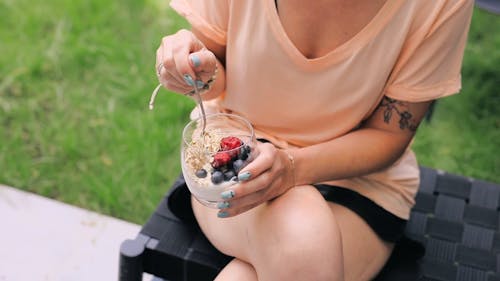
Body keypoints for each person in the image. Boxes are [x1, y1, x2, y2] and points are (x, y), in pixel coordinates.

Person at [155, 0, 474, 280]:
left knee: (289, 251)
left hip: (358, 182)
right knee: (302, 235)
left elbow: (389, 133)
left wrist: (292, 168)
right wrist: (198, 71)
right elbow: (217, 68)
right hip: (239, 161)